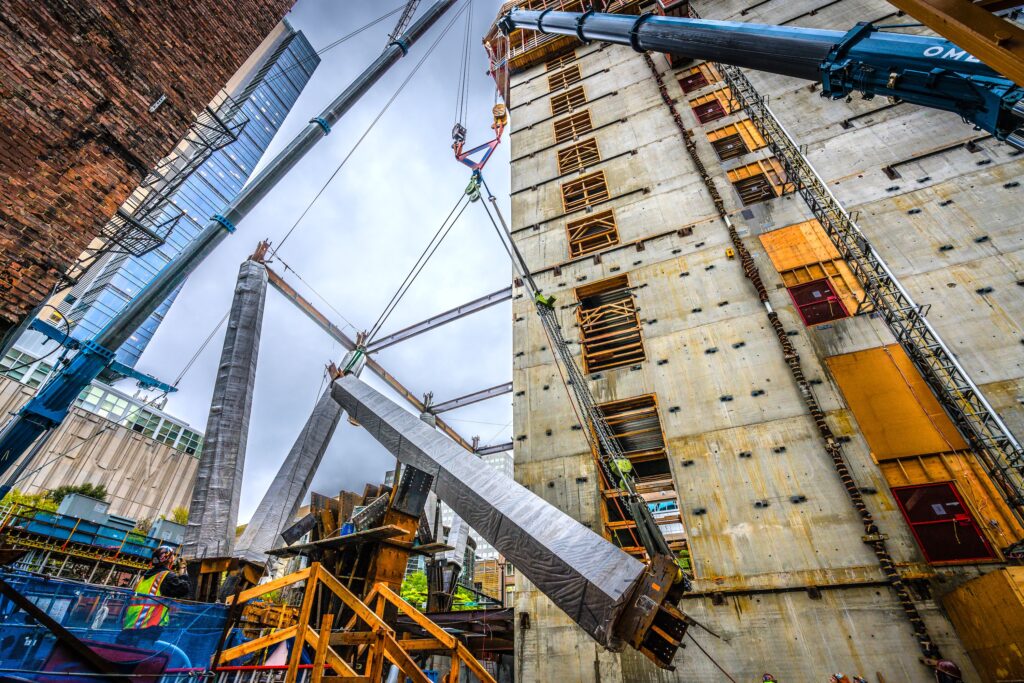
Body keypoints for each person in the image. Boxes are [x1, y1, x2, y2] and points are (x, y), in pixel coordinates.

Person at [117, 546, 191, 648]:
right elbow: (184, 589)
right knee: (139, 658)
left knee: (121, 654)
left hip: (129, 625)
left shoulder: (144, 577)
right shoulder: (166, 576)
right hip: (148, 627)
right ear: (170, 559)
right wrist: (183, 569)